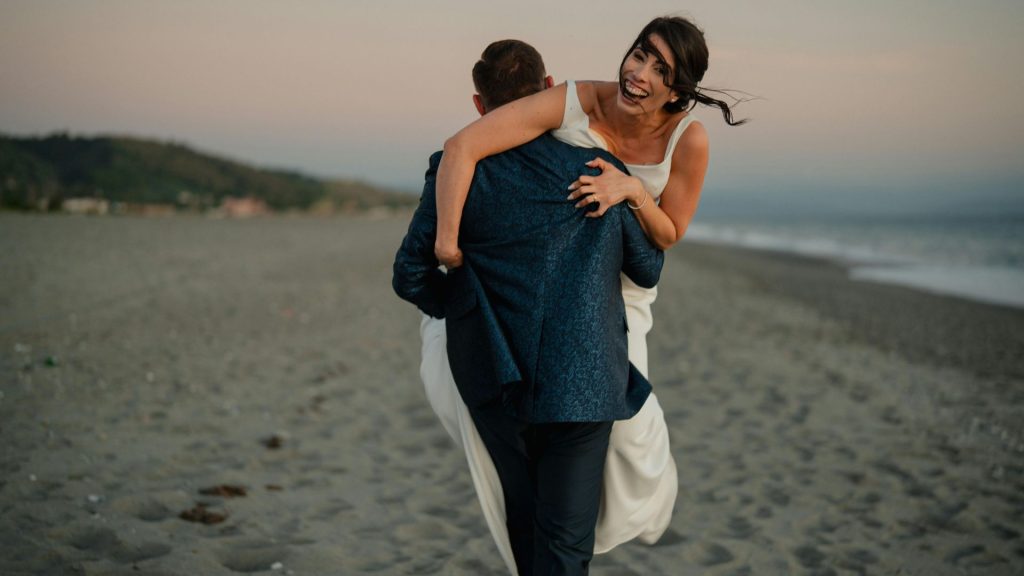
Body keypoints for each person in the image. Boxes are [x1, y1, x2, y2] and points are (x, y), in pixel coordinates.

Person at [430, 14, 746, 567]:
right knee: (533, 442)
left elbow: (669, 233)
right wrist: (448, 244)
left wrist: (630, 189)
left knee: (631, 445)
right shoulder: (574, 99)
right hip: (542, 283)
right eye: (639, 53)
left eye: (659, 68)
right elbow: (462, 148)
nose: (638, 72)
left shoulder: (688, 140)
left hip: (619, 295)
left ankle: (571, 540)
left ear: (680, 90)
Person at [393, 39, 665, 576]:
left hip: (494, 374)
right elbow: (649, 269)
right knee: (564, 543)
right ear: (546, 90)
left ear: (479, 106)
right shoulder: (595, 165)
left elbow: (410, 274)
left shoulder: (454, 171)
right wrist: (630, 194)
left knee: (524, 517)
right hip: (586, 377)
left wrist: (465, 306)